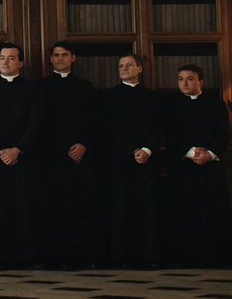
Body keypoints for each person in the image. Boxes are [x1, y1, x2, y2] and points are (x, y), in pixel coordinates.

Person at [0, 43, 42, 269]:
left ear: (20, 63)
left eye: (11, 58)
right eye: (2, 58)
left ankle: (27, 257)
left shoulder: (33, 90)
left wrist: (18, 149)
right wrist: (1, 150)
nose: (5, 62)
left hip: (25, 159)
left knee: (25, 208)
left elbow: (37, 122)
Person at [38, 42, 101, 269]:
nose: (60, 59)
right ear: (51, 59)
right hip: (50, 158)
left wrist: (84, 145)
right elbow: (39, 123)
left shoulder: (85, 87)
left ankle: (81, 257)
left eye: (64, 55)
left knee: (79, 208)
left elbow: (94, 121)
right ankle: (52, 258)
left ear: (73, 58)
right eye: (56, 55)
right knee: (52, 209)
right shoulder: (41, 88)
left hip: (80, 157)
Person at [161, 64, 230, 267]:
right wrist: (191, 152)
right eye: (180, 79)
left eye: (190, 79)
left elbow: (223, 133)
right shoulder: (172, 106)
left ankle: (215, 258)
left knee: (212, 212)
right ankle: (186, 258)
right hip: (183, 168)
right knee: (184, 212)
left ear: (201, 82)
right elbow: (170, 135)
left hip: (210, 167)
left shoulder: (216, 104)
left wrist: (209, 154)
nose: (184, 83)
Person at [98, 54, 160, 268]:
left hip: (146, 161)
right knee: (119, 210)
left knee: (146, 210)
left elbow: (159, 127)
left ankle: (147, 257)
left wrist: (147, 149)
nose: (124, 69)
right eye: (121, 66)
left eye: (129, 65)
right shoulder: (108, 97)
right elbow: (107, 129)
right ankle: (119, 258)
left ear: (139, 68)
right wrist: (131, 150)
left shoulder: (152, 97)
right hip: (118, 162)